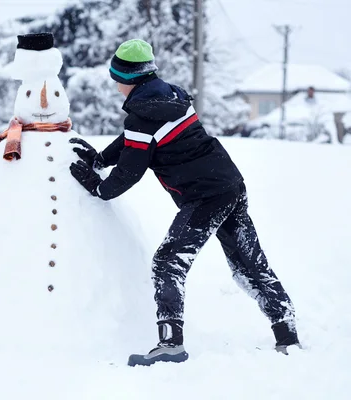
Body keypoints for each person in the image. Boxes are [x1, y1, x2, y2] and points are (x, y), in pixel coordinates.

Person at [69, 39, 300, 367]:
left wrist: (98, 189)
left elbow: (133, 168)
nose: (115, 85)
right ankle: (287, 333)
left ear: (126, 78)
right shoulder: (170, 96)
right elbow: (139, 140)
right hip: (229, 184)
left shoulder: (142, 115)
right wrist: (102, 159)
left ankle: (171, 345)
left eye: (115, 78)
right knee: (248, 262)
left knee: (168, 263)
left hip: (204, 196)